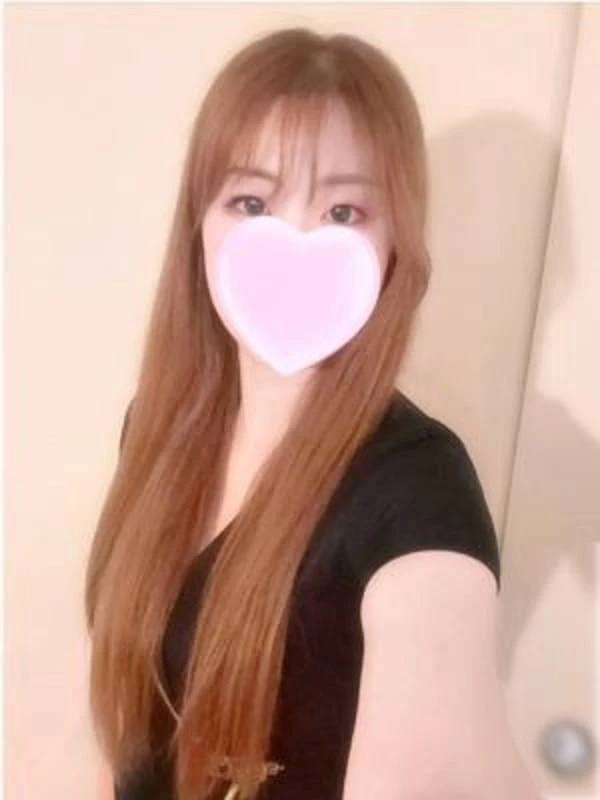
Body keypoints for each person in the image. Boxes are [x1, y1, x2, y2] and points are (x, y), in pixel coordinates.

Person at [86, 27, 539, 800]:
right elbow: (128, 745)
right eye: (252, 202)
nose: (292, 242)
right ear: (200, 226)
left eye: (343, 212)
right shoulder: (158, 430)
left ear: (394, 242)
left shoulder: (417, 490)